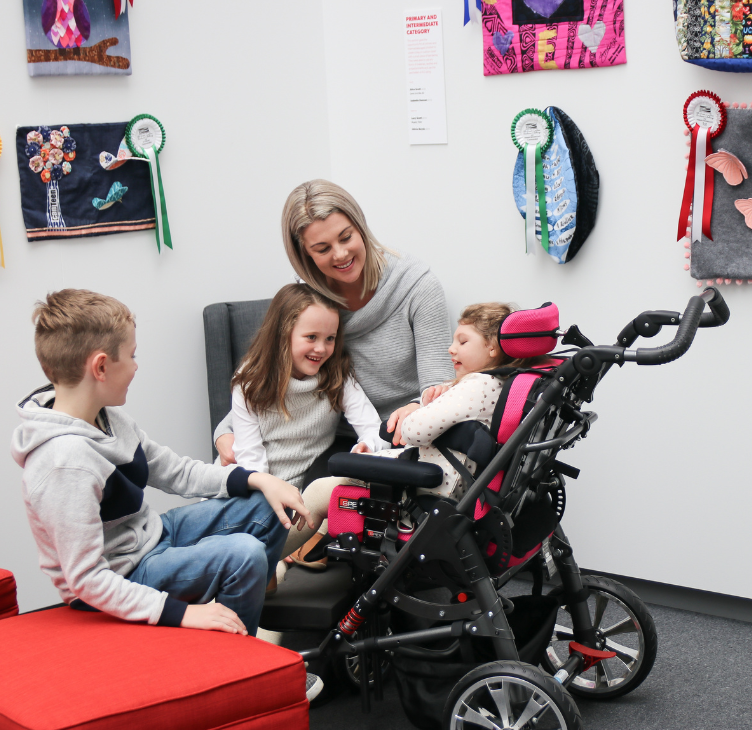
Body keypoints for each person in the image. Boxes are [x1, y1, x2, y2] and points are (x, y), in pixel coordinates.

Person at [10, 289, 324, 697]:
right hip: (119, 573)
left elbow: (176, 472)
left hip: (151, 538)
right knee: (244, 553)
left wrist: (258, 480)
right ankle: (244, 678)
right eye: (132, 355)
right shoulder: (63, 462)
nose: (136, 366)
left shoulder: (107, 418)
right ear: (101, 366)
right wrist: (183, 613)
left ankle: (241, 616)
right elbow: (86, 579)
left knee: (266, 504)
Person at [214, 179, 455, 471]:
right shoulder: (309, 301)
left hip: (406, 432)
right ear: (305, 254)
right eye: (322, 248)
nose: (340, 254)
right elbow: (269, 376)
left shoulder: (417, 285)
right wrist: (225, 431)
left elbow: (440, 388)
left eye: (346, 237)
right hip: (332, 441)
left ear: (361, 227)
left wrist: (416, 409)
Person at [280, 302, 556, 553]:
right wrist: (430, 398)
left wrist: (416, 411)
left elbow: (412, 431)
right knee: (338, 487)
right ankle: (302, 553)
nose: (451, 349)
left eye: (463, 341)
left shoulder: (477, 385)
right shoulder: (505, 385)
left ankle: (269, 561)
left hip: (423, 490)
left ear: (492, 348)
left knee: (319, 490)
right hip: (452, 485)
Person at [230, 283, 386, 566]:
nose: (321, 349)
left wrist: (367, 445)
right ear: (282, 334)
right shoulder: (248, 383)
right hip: (263, 489)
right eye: (311, 337)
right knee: (251, 555)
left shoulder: (337, 375)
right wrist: (271, 511)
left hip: (307, 490)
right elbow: (251, 462)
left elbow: (373, 428)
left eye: (330, 338)